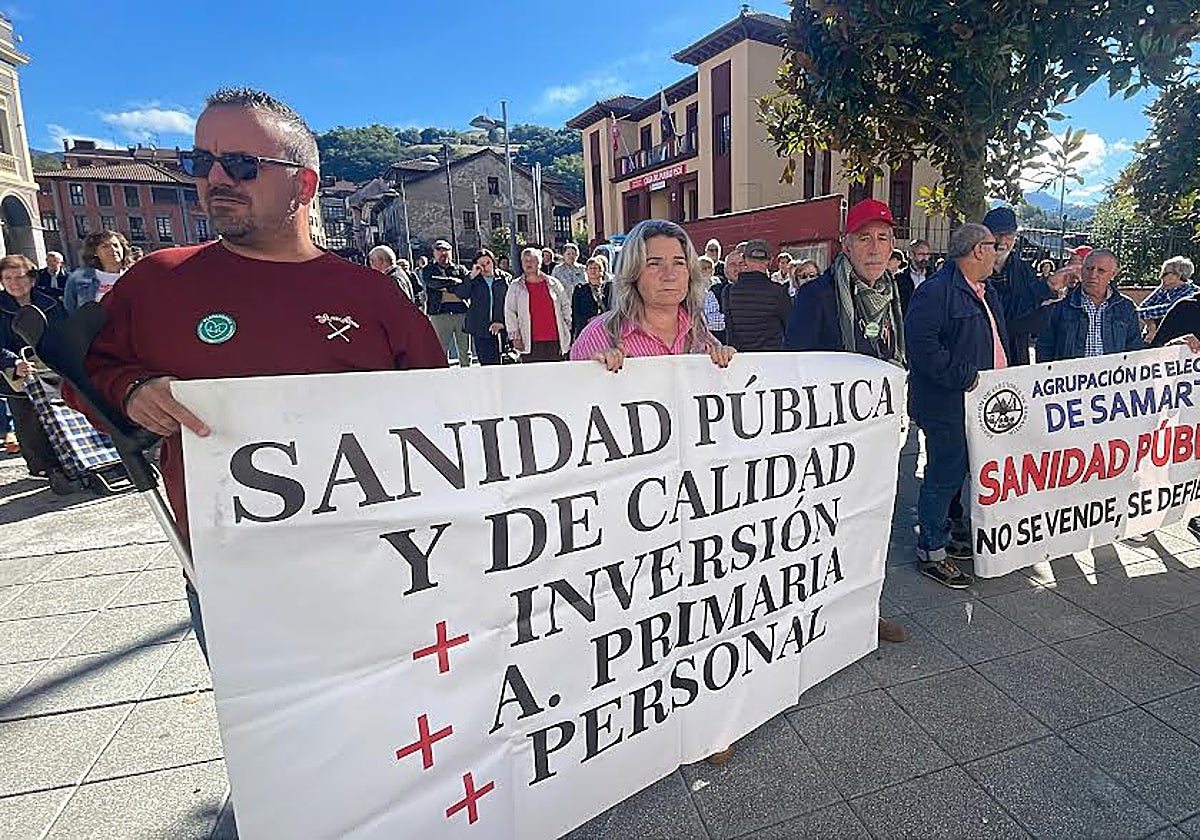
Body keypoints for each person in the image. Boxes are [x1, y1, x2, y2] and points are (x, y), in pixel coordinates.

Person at [78, 87, 446, 659]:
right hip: (233, 579)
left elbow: (446, 412)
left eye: (243, 165)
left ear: (303, 184)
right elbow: (83, 369)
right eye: (201, 162)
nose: (216, 178)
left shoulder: (374, 295)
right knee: (271, 742)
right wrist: (130, 393)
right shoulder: (156, 282)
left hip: (373, 569)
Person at [571, 220, 736, 768]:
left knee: (697, 607)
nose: (669, 275)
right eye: (655, 262)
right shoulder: (601, 336)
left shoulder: (701, 338)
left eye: (678, 262)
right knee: (643, 614)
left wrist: (726, 369)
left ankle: (703, 716)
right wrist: (593, 378)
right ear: (633, 272)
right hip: (631, 510)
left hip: (692, 502)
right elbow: (569, 424)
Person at [905, 223, 1010, 589]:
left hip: (981, 403)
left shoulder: (984, 291)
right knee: (943, 474)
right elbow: (922, 348)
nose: (998, 253)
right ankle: (931, 550)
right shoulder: (936, 292)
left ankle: (948, 532)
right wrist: (963, 376)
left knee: (960, 470)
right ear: (978, 250)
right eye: (994, 246)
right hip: (947, 403)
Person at [785, 199, 904, 363]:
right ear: (847, 246)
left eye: (882, 238)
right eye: (865, 239)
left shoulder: (893, 294)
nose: (875, 249)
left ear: (891, 247)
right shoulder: (816, 295)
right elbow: (793, 364)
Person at [0, 254, 65, 477]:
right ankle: (41, 467)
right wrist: (13, 361)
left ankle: (68, 459)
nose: (14, 283)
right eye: (7, 278)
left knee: (60, 414)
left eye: (19, 277)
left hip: (52, 367)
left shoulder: (50, 302)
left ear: (32, 279)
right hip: (16, 373)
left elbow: (62, 332)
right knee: (28, 421)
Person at [1037, 249, 1144, 361]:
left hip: (1112, 376)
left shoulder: (1125, 308)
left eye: (1101, 271)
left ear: (1113, 274)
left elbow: (1134, 351)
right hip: (1071, 376)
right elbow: (1044, 349)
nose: (1093, 275)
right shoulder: (1060, 308)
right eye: (1089, 269)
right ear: (1082, 270)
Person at [982, 207, 1052, 366]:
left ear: (1015, 236)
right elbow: (995, 315)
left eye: (1008, 235)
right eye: (996, 234)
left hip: (1016, 355)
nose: (1001, 241)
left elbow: (1035, 319)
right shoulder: (972, 269)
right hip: (982, 355)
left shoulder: (1024, 270)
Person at [505, 247, 571, 362]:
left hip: (554, 339)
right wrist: (515, 337)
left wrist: (566, 324)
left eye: (532, 260)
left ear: (539, 262)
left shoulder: (553, 283)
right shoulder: (516, 286)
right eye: (525, 260)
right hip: (529, 341)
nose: (528, 263)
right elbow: (510, 312)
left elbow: (565, 305)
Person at [724, 239, 791, 352]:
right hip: (772, 358)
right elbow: (790, 327)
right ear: (769, 261)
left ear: (744, 260)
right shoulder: (778, 291)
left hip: (742, 359)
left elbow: (730, 332)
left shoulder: (729, 292)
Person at [455, 249, 510, 366]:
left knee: (502, 361)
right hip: (481, 328)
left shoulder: (504, 278)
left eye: (488, 263)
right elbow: (461, 294)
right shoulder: (474, 279)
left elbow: (510, 303)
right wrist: (471, 277)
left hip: (500, 327)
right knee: (486, 363)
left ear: (493, 262)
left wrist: (503, 322)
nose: (485, 267)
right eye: (482, 265)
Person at [422, 239, 472, 367]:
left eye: (446, 250)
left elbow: (466, 285)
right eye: (439, 250)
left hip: (461, 313)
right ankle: (442, 377)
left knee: (465, 350)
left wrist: (447, 286)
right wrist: (453, 282)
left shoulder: (460, 269)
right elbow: (432, 283)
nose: (443, 253)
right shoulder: (429, 270)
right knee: (440, 349)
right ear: (434, 253)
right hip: (440, 314)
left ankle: (467, 376)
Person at [63, 230, 135, 312]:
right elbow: (70, 308)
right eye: (105, 246)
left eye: (116, 245)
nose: (113, 249)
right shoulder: (79, 278)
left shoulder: (134, 275)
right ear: (94, 252)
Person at [1137, 256, 1197, 343]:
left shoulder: (1191, 292)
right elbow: (1143, 307)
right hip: (1155, 340)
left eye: (1165, 274)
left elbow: (1170, 309)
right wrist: (1151, 324)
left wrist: (1145, 316)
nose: (1160, 277)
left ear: (1178, 275)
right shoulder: (1164, 289)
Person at [571, 256, 611, 341]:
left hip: (607, 330)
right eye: (590, 268)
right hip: (587, 331)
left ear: (602, 271)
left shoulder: (610, 288)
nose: (593, 271)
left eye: (596, 268)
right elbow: (576, 314)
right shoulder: (580, 290)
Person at [895, 239, 932, 312]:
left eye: (927, 254)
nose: (925, 258)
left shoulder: (933, 277)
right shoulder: (899, 278)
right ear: (911, 255)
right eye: (921, 254)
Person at [701, 255, 727, 344]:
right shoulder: (693, 288)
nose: (707, 270)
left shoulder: (720, 284)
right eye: (704, 268)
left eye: (710, 268)